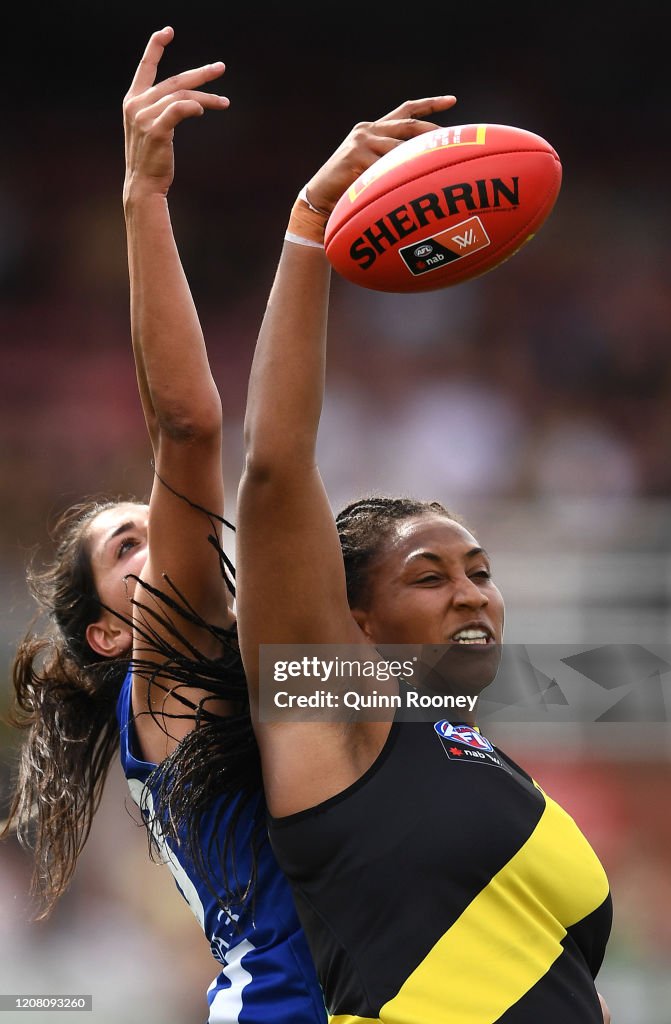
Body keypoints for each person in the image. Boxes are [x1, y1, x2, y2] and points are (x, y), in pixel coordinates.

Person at [234, 99, 614, 1023]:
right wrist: (307, 227)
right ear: (352, 621)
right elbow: (277, 465)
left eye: (479, 571)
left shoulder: (487, 761)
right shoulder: (334, 715)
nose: (472, 595)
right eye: (430, 577)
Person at [1, 27, 326, 1024]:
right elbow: (190, 427)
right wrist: (143, 196)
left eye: (152, 526)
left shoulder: (272, 670)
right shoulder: (168, 675)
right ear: (108, 633)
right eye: (126, 548)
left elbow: (439, 688)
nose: (161, 542)